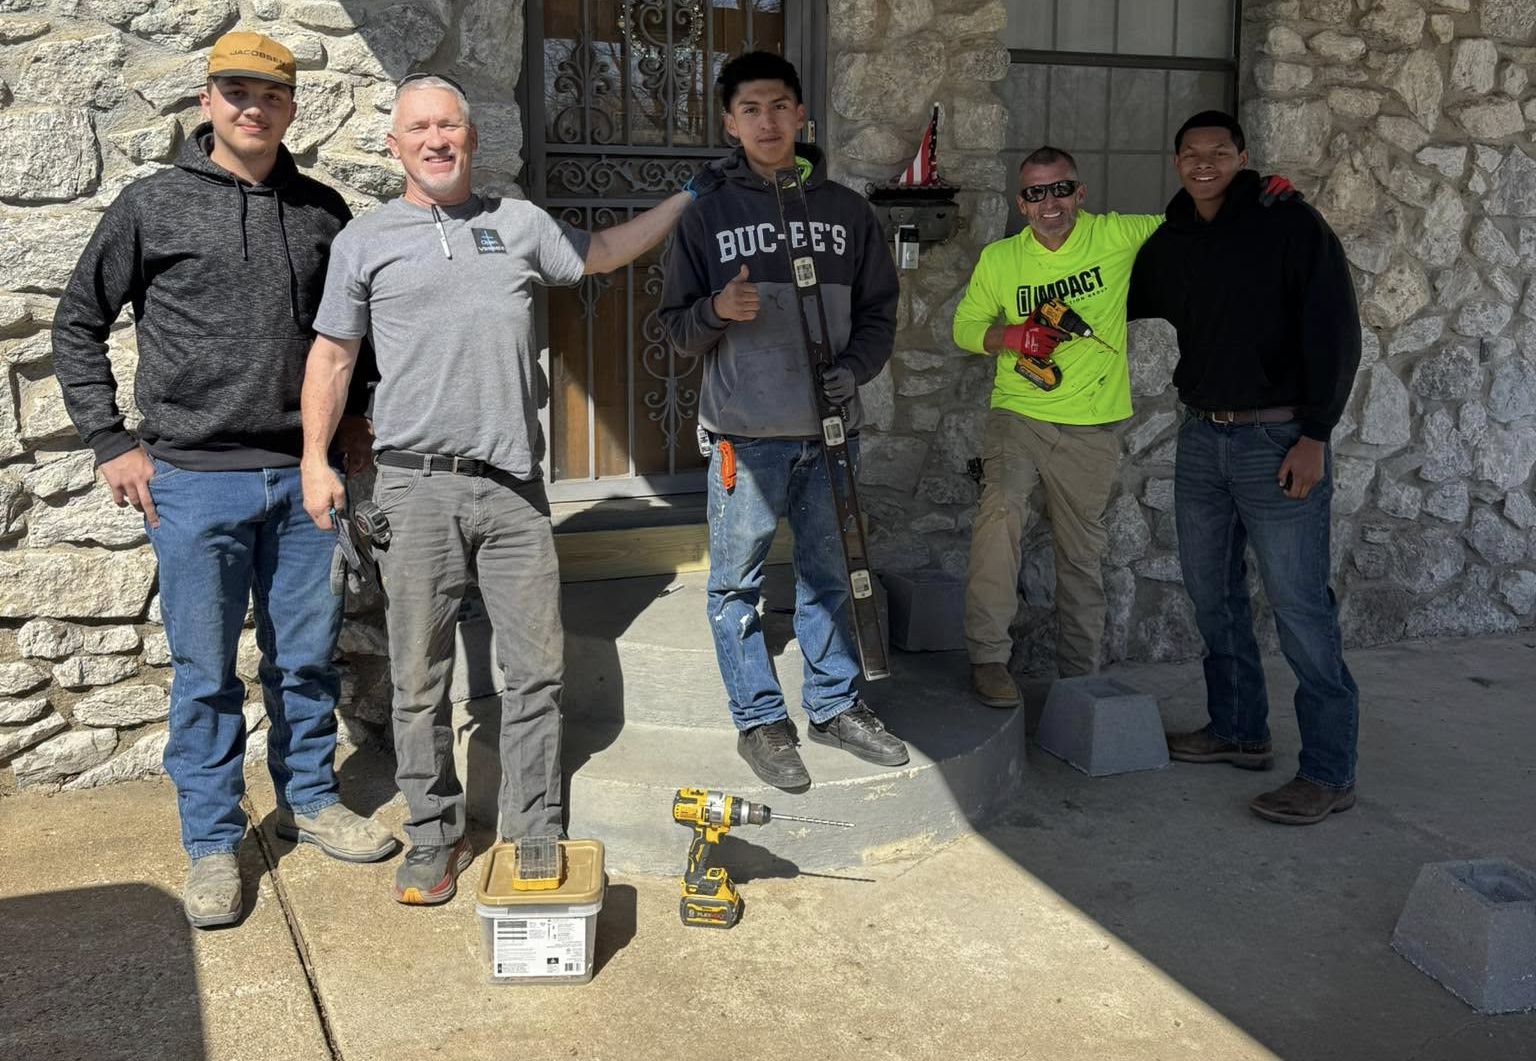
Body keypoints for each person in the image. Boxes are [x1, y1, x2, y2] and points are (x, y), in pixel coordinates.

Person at [300, 74, 721, 906]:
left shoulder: (519, 222)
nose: (435, 139)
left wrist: (684, 197)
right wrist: (316, 458)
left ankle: (533, 829)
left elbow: (599, 254)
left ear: (472, 138)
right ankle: (434, 837)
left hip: (515, 493)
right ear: (395, 146)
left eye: (449, 125)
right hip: (416, 490)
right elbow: (334, 355)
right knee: (419, 678)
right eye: (418, 128)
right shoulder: (366, 239)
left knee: (536, 672)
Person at [54, 30, 391, 931]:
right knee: (206, 673)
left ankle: (311, 801)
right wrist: (110, 441)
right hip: (192, 482)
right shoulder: (151, 205)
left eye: (271, 94)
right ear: (208, 101)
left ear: (290, 107)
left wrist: (353, 413)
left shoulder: (323, 211)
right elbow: (77, 323)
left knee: (307, 658)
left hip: (302, 479)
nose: (253, 106)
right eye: (236, 91)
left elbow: (351, 336)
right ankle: (211, 844)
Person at [659, 50, 906, 793]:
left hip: (831, 433)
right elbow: (674, 325)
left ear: (801, 114)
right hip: (745, 436)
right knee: (735, 585)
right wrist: (715, 312)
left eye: (779, 106)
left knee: (830, 573)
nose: (767, 122)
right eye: (750, 110)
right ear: (730, 125)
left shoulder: (847, 212)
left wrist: (856, 368)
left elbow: (879, 313)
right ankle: (760, 719)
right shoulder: (707, 217)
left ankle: (833, 705)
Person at [1128, 110, 1362, 825]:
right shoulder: (1174, 237)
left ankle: (1328, 772)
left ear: (1243, 157)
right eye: (1192, 155)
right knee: (1211, 595)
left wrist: (1315, 435)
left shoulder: (1288, 223)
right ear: (1176, 163)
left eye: (1219, 153)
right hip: (1203, 438)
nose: (1205, 165)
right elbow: (1122, 297)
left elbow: (1335, 330)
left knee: (1299, 608)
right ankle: (1237, 730)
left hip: (1277, 439)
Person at [953, 148, 1165, 706]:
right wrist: (1012, 337)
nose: (1050, 203)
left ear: (1080, 192)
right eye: (1035, 193)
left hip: (1092, 428)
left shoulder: (1117, 235)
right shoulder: (1001, 259)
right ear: (1020, 203)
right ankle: (990, 660)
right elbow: (965, 327)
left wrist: (1255, 195)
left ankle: (1079, 680)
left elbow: (1194, 220)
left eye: (1060, 189)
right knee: (999, 515)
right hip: (1019, 414)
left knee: (1081, 553)